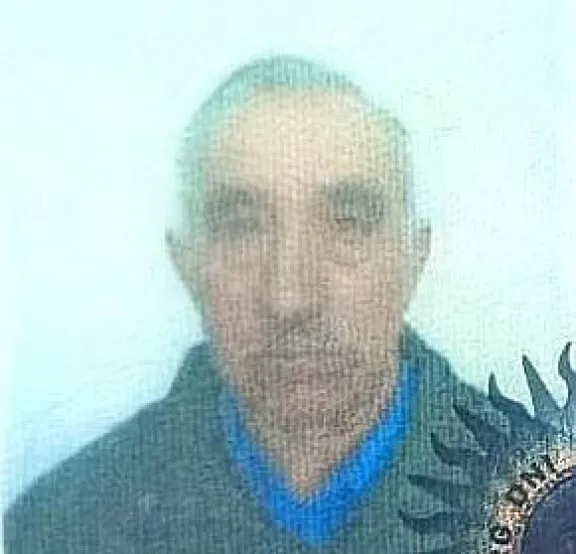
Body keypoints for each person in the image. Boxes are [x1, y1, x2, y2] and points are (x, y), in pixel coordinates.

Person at [4, 55, 496, 553]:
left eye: (347, 223)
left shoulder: (538, 505)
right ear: (186, 265)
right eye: (241, 228)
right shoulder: (57, 527)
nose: (290, 299)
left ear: (414, 257)